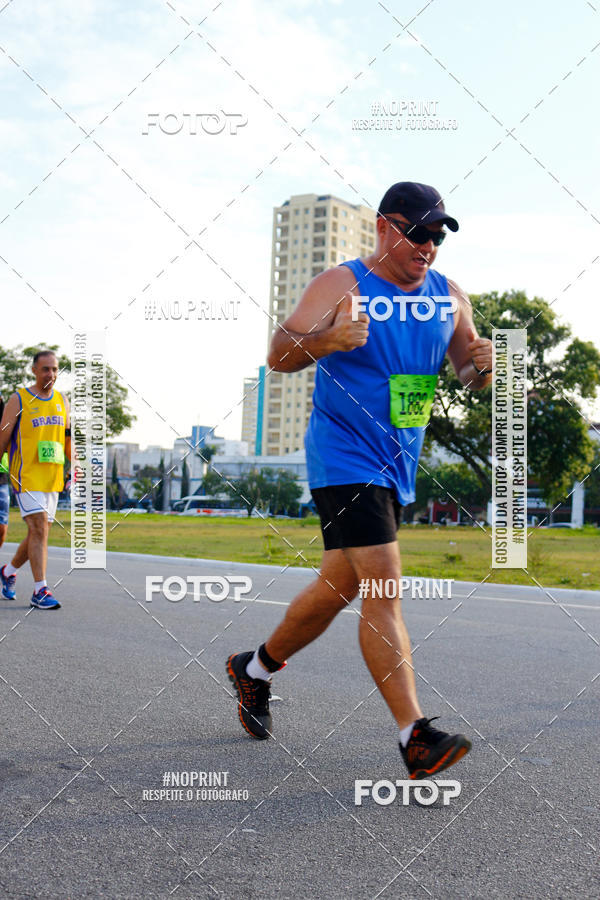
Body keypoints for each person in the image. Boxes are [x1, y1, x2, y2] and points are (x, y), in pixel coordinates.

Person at [227, 182, 494, 779]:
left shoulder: (449, 296)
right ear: (384, 227)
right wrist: (329, 340)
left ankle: (254, 668)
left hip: (398, 461)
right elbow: (279, 353)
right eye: (417, 232)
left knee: (338, 586)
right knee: (383, 585)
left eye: (437, 236)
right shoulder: (342, 284)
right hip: (344, 456)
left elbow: (466, 372)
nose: (427, 246)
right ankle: (414, 736)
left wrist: (482, 369)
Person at [0, 350, 70, 610]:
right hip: (26, 475)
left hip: (52, 477)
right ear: (34, 371)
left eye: (54, 369)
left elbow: (67, 437)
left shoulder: (62, 400)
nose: (50, 374)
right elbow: (2, 437)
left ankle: (7, 571)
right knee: (39, 529)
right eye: (45, 369)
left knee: (38, 533)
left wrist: (76, 466)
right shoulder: (18, 399)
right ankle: (40, 590)